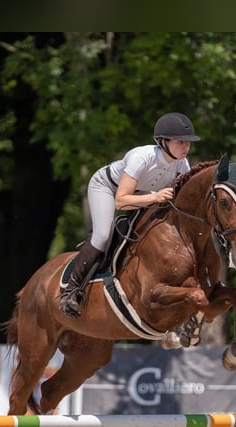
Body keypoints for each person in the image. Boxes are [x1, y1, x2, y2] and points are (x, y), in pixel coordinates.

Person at [59, 112, 201, 319]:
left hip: (142, 194)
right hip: (108, 188)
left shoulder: (182, 164)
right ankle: (72, 290)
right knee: (102, 235)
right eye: (180, 141)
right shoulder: (141, 157)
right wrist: (155, 197)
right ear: (163, 142)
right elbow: (121, 201)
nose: (185, 147)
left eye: (188, 142)